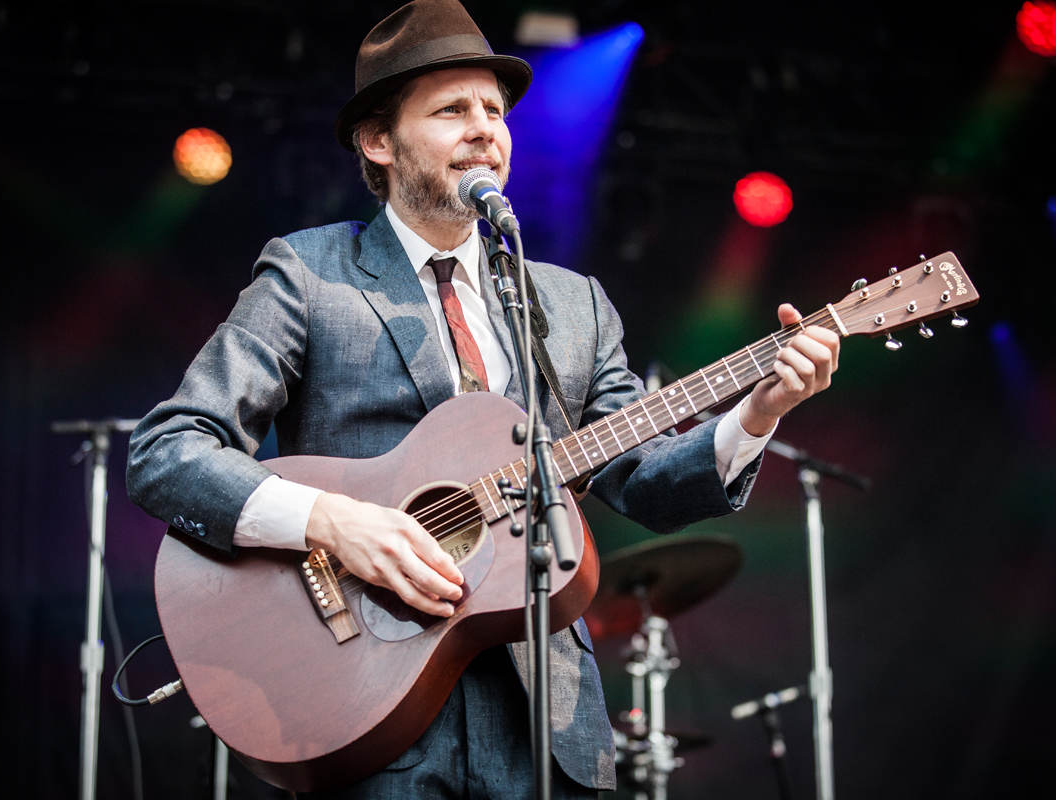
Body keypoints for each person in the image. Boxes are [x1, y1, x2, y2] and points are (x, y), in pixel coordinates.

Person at [126, 1, 840, 797]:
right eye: (451, 110)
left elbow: (639, 477)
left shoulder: (574, 305)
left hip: (548, 723)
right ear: (378, 141)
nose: (484, 129)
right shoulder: (311, 274)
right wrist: (334, 522)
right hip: (368, 711)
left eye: (494, 111)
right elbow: (169, 451)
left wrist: (757, 414)